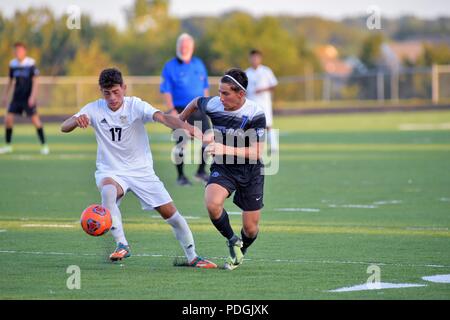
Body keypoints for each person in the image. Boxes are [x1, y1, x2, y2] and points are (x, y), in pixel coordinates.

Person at [61, 68, 216, 269]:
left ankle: (193, 256)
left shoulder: (135, 105)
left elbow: (162, 117)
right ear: (101, 91)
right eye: (107, 93)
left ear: (124, 88)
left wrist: (189, 128)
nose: (112, 98)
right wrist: (75, 121)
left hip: (142, 172)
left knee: (173, 216)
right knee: (108, 192)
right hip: (111, 171)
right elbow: (64, 126)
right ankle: (122, 244)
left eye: (116, 92)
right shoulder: (94, 109)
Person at [179, 68, 266, 270]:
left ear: (240, 94)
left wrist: (221, 147)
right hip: (224, 166)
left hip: (250, 171)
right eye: (219, 91)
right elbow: (196, 101)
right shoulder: (214, 104)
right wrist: (182, 120)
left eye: (225, 93)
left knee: (251, 229)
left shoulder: (255, 113)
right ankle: (232, 240)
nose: (220, 97)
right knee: (212, 203)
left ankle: (239, 252)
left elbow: (257, 152)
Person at [160, 33, 211, 186]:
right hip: (181, 111)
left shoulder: (199, 64)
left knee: (208, 139)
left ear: (192, 47)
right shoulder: (170, 66)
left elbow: (205, 87)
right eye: (182, 46)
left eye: (187, 46)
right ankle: (181, 176)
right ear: (178, 47)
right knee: (181, 143)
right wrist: (172, 110)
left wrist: (208, 108)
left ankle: (201, 172)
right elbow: (166, 90)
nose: (184, 49)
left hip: (199, 108)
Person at [0, 42, 49, 155]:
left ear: (24, 51)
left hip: (28, 98)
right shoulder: (13, 64)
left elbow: (36, 81)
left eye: (20, 50)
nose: (17, 52)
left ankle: (44, 145)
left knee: (35, 121)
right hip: (16, 98)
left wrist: (33, 96)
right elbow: (10, 81)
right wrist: (5, 95)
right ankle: (8, 146)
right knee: (8, 120)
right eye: (16, 50)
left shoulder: (30, 63)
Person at [245, 49, 278, 152]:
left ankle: (273, 147)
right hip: (251, 104)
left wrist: (262, 89)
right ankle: (251, 146)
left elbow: (273, 85)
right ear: (250, 59)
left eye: (256, 58)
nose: (255, 60)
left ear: (260, 59)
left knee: (268, 125)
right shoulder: (246, 73)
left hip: (264, 103)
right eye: (253, 58)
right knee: (250, 126)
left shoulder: (266, 71)